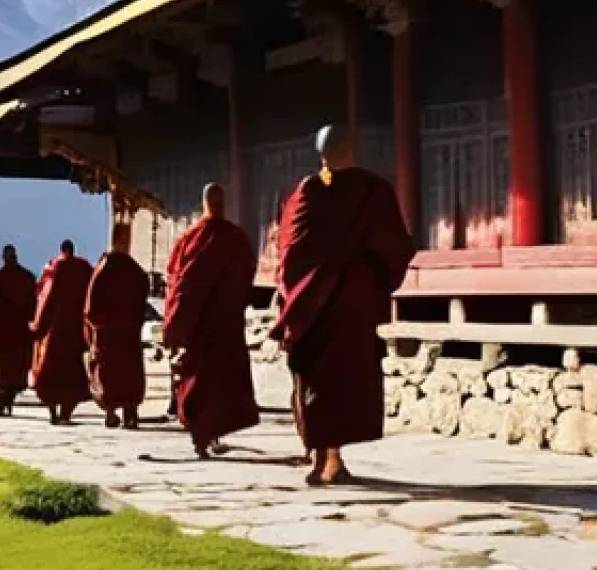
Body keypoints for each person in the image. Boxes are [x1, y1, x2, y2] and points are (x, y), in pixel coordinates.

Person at [274, 124, 414, 486]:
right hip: (355, 303)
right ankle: (331, 457)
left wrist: (293, 293)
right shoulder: (375, 191)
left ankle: (325, 456)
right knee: (344, 381)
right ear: (351, 149)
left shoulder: (308, 192)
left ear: (321, 153)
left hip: (313, 304)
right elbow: (397, 247)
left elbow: (289, 251)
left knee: (317, 380)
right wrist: (374, 279)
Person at [164, 184, 259, 458]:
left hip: (204, 326)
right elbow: (246, 276)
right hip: (223, 324)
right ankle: (208, 434)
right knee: (218, 381)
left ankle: (204, 436)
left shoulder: (190, 239)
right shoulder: (236, 238)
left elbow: (178, 283)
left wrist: (175, 323)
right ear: (221, 203)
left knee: (205, 381)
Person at [84, 222, 149, 429]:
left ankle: (124, 411)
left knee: (117, 373)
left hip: (117, 332)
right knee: (120, 372)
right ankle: (118, 412)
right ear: (118, 240)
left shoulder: (112, 268)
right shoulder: (119, 268)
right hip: (118, 332)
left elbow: (90, 305)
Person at [30, 239, 93, 424]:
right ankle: (66, 413)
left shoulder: (55, 268)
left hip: (56, 331)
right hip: (76, 330)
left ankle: (53, 412)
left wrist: (38, 325)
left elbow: (46, 299)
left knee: (50, 373)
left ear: (61, 250)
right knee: (73, 374)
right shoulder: (84, 268)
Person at [0, 244, 36, 417]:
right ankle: (7, 399)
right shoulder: (26, 277)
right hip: (17, 332)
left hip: (5, 333)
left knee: (6, 370)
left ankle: (3, 399)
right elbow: (34, 304)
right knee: (15, 370)